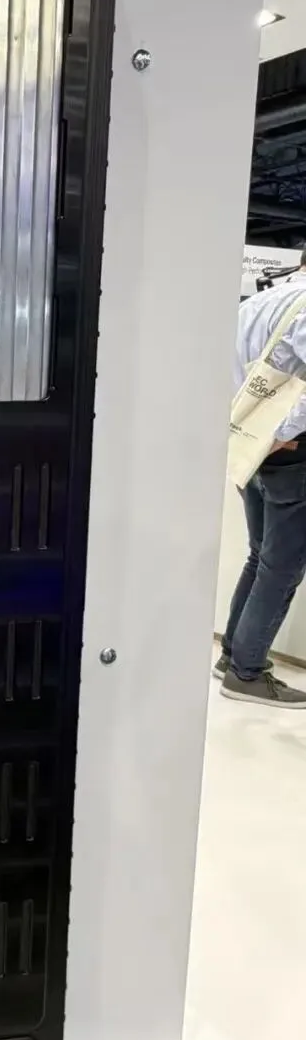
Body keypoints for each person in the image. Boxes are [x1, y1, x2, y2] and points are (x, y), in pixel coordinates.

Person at [220, 249, 306, 707]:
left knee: (260, 556)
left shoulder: (261, 301)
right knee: (283, 565)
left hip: (249, 444)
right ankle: (247, 671)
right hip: (287, 451)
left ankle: (233, 654)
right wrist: (283, 433)